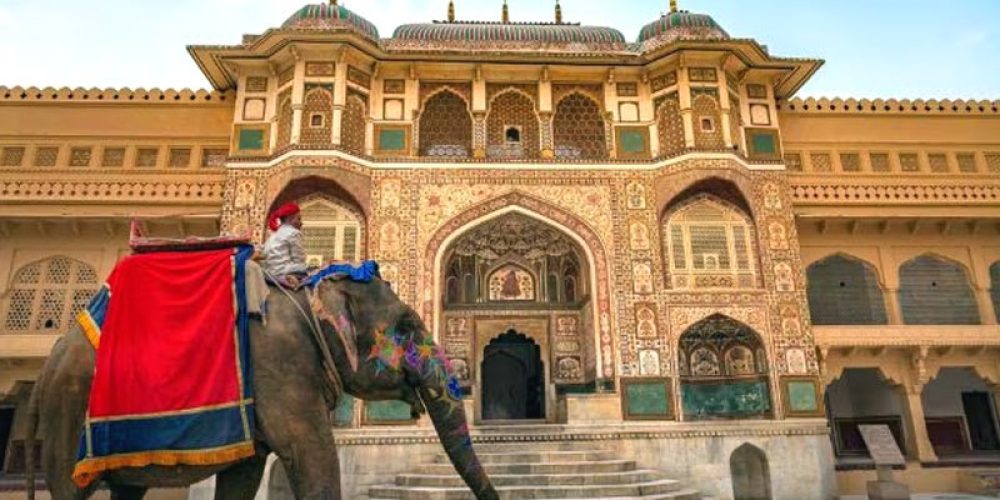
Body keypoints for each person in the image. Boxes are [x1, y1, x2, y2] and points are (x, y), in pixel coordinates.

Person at [263, 202, 308, 287]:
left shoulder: (274, 234)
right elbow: (299, 258)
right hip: (284, 270)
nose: (301, 223)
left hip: (270, 271)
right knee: (315, 270)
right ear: (290, 219)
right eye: (298, 219)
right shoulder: (294, 233)